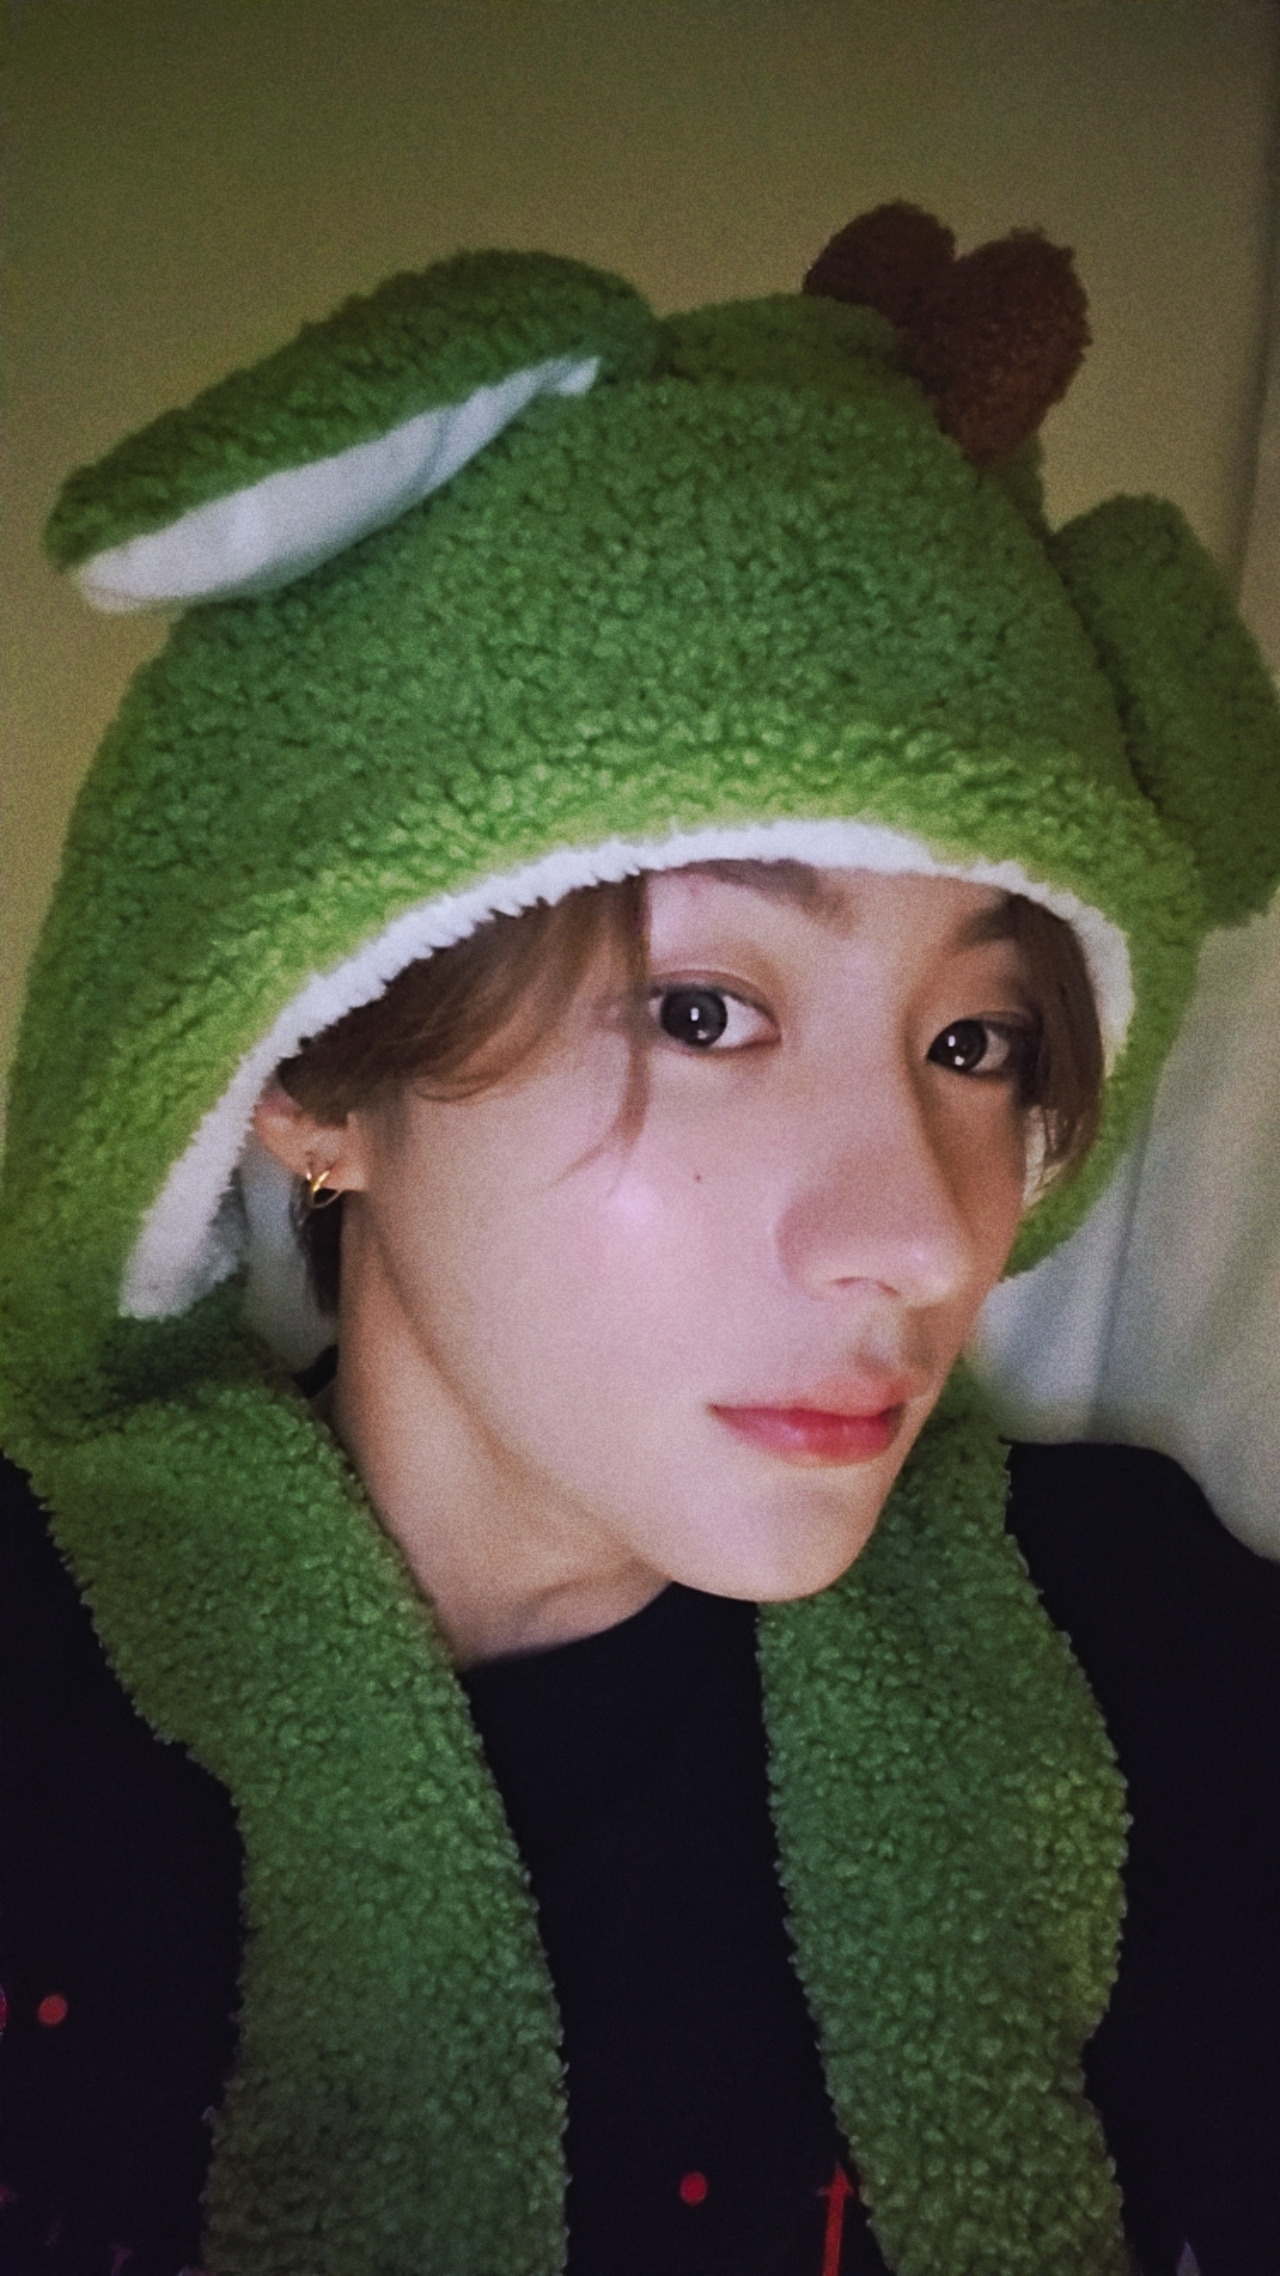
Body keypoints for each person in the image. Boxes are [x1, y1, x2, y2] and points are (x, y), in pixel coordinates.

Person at [1, 205, 1279, 2276]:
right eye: (702, 1012)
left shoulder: (1152, 1669)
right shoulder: (43, 1700)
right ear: (311, 1078)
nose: (915, 1236)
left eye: (974, 1041)